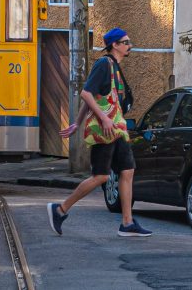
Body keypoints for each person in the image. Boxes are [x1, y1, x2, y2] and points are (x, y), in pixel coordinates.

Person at [47, 27, 151, 237]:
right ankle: (60, 210)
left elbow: (94, 95)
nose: (129, 45)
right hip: (106, 129)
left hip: (117, 128)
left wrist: (77, 122)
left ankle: (127, 223)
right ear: (115, 45)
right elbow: (86, 93)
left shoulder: (115, 67)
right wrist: (101, 118)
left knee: (128, 170)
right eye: (126, 41)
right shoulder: (104, 64)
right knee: (101, 176)